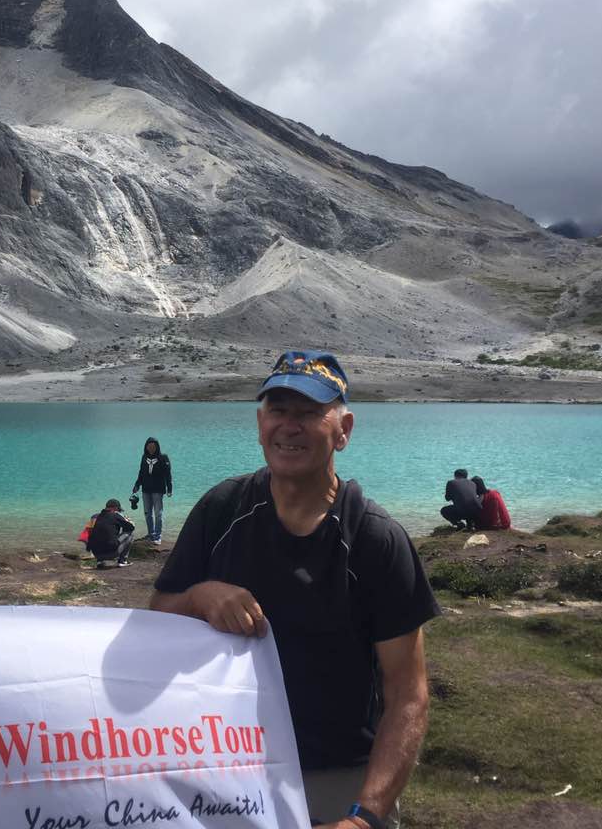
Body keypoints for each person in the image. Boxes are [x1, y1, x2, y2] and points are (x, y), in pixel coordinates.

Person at [150, 351, 438, 829]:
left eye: (308, 412)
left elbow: (408, 693)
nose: (289, 426)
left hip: (338, 778)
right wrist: (200, 597)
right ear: (260, 423)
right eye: (278, 410)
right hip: (225, 767)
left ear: (344, 430)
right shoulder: (221, 510)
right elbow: (157, 617)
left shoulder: (375, 539)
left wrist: (364, 817)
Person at [131, 436, 172, 545]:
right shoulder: (144, 457)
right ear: (146, 447)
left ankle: (158, 536)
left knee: (158, 514)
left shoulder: (163, 457)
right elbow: (141, 472)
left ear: (157, 447)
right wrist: (137, 485)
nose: (151, 448)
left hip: (158, 490)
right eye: (149, 446)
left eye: (153, 446)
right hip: (146, 490)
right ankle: (151, 534)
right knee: (147, 513)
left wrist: (169, 488)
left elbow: (168, 474)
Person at [87, 498, 136, 569]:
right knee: (130, 534)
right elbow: (131, 528)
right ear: (115, 508)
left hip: (96, 554)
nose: (118, 511)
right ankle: (123, 561)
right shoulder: (115, 515)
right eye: (118, 510)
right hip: (111, 554)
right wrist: (129, 521)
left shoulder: (97, 516)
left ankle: (100, 561)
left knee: (103, 535)